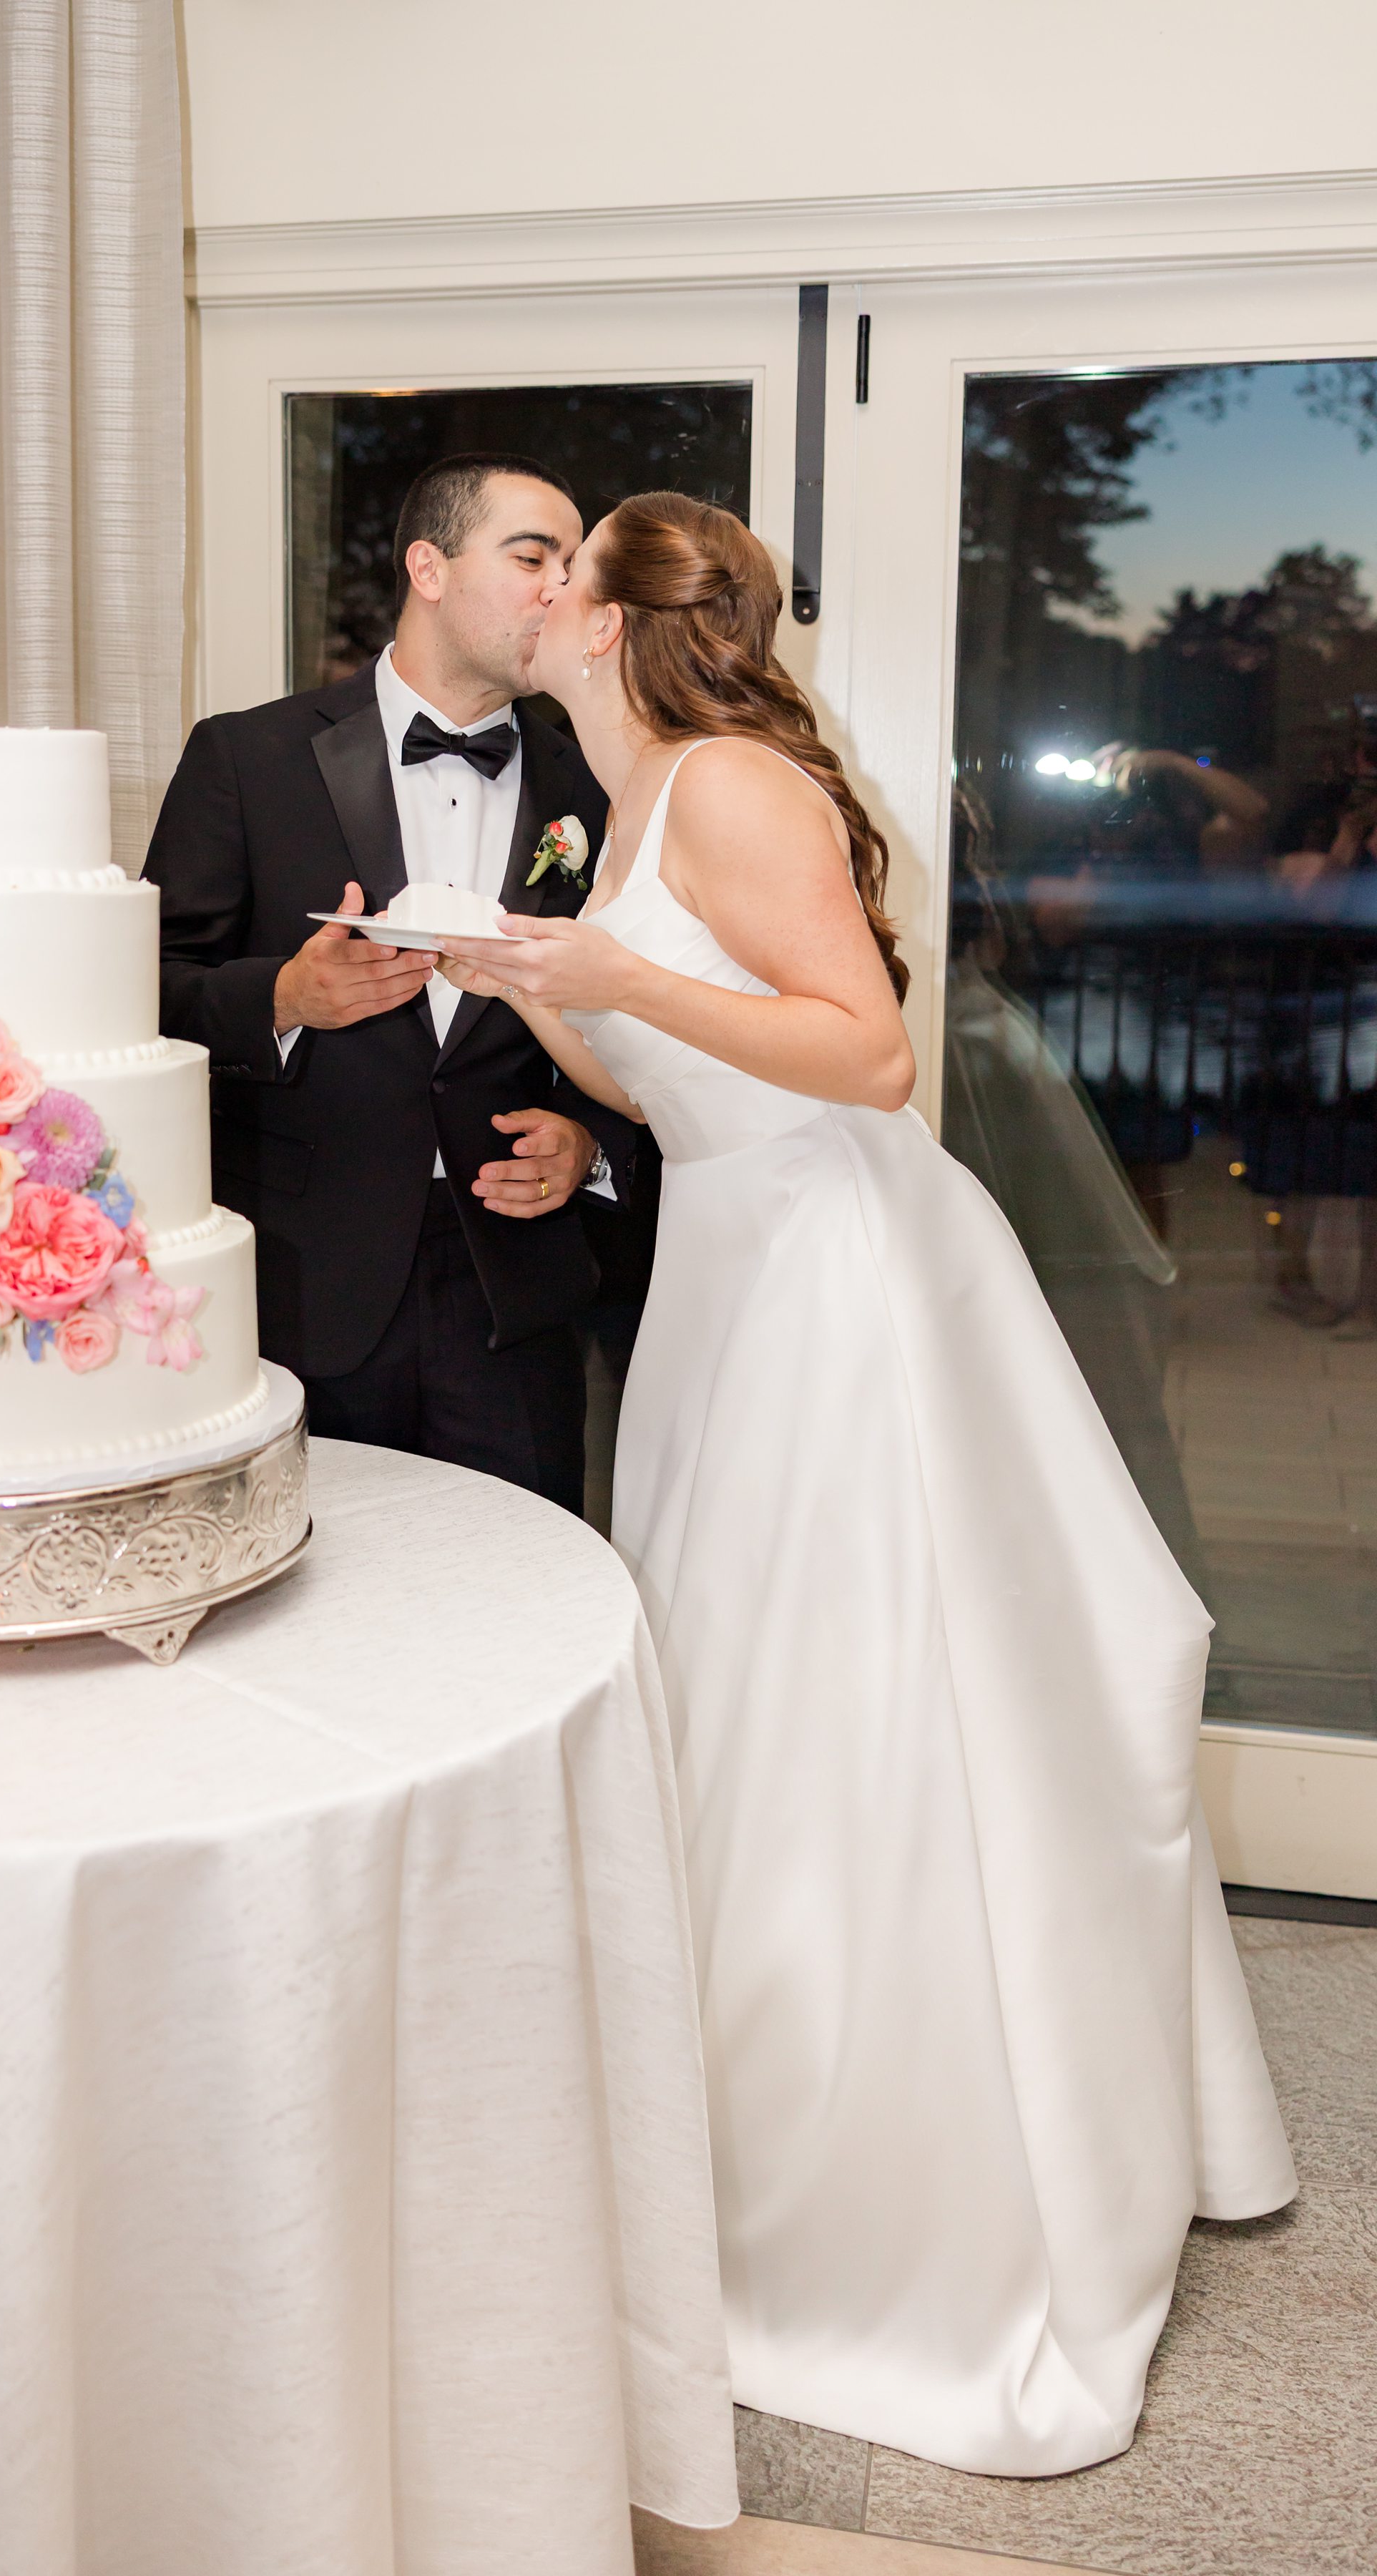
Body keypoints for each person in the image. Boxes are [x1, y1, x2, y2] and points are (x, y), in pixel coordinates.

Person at [439, 491, 1297, 2479]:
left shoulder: (733, 781)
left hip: (841, 1279)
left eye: (564, 572)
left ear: (625, 619)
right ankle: (739, 2144)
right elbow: (674, 1092)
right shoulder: (623, 804)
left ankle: (897, 2201)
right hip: (730, 1271)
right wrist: (526, 983)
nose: (534, 592)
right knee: (739, 1706)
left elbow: (866, 1053)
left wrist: (620, 984)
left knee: (856, 1713)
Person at [143, 453, 639, 1511]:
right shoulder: (246, 759)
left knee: (522, 1601)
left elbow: (660, 1021)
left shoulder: (602, 787)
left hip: (517, 1286)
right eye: (532, 555)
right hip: (300, 1287)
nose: (563, 587)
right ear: (429, 566)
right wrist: (284, 998)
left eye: (573, 564)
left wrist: (594, 1145)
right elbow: (146, 992)